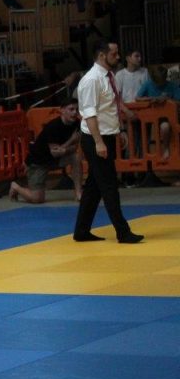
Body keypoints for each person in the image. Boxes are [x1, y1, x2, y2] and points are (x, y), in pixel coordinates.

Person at [73, 41, 143, 244]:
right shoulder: (91, 80)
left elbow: (112, 107)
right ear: (102, 55)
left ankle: (81, 230)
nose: (118, 57)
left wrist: (119, 130)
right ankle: (123, 232)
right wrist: (98, 142)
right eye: (114, 54)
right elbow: (89, 114)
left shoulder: (109, 76)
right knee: (109, 184)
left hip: (107, 134)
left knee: (94, 186)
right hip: (94, 138)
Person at [10, 99, 83, 204]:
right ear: (62, 110)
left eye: (77, 109)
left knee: (75, 157)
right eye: (71, 109)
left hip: (55, 160)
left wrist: (64, 149)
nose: (75, 112)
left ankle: (78, 193)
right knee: (37, 199)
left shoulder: (77, 124)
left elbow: (74, 148)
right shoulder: (53, 127)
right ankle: (16, 187)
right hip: (38, 162)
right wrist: (71, 140)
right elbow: (55, 152)